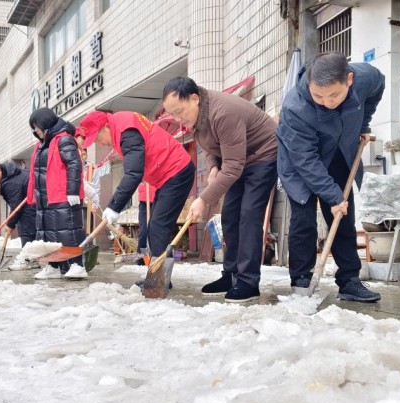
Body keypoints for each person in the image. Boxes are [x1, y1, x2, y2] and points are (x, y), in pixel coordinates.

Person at [276, 52, 385, 303]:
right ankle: (302, 282)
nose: (327, 102)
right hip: (300, 160)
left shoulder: (365, 77)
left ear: (349, 80)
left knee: (342, 217)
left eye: (334, 95)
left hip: (337, 151)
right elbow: (305, 159)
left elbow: (379, 85)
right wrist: (332, 195)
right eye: (318, 96)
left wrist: (364, 124)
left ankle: (349, 281)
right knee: (303, 220)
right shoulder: (295, 107)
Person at [162, 77, 278, 302]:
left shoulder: (223, 112)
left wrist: (203, 199)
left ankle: (248, 281)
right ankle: (231, 274)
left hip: (263, 155)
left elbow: (234, 167)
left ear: (194, 99)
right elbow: (210, 145)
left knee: (249, 216)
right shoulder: (198, 115)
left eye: (179, 112)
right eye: (172, 114)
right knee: (230, 217)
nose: (177, 119)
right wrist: (214, 166)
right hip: (237, 161)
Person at [77, 110, 195, 287]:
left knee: (157, 227)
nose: (99, 144)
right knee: (153, 228)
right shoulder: (121, 125)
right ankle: (158, 277)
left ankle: (159, 281)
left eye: (97, 138)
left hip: (176, 171)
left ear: (106, 127)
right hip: (167, 176)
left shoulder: (126, 130)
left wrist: (114, 206)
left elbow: (133, 173)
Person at [27, 107, 87, 280]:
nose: (35, 130)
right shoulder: (41, 145)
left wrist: (73, 190)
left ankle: (77, 265)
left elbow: (74, 165)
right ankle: (53, 266)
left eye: (36, 126)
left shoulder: (64, 140)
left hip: (63, 196)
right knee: (48, 235)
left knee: (68, 231)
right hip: (45, 197)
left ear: (45, 123)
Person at [0, 160, 40, 270]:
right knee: (28, 232)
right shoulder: (13, 174)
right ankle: (31, 259)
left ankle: (29, 261)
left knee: (27, 232)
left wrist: (10, 224)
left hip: (30, 206)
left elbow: (16, 205)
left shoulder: (11, 182)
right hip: (31, 204)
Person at [136, 181, 156, 263]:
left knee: (156, 230)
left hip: (158, 198)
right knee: (144, 231)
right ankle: (141, 257)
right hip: (144, 200)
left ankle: (156, 256)